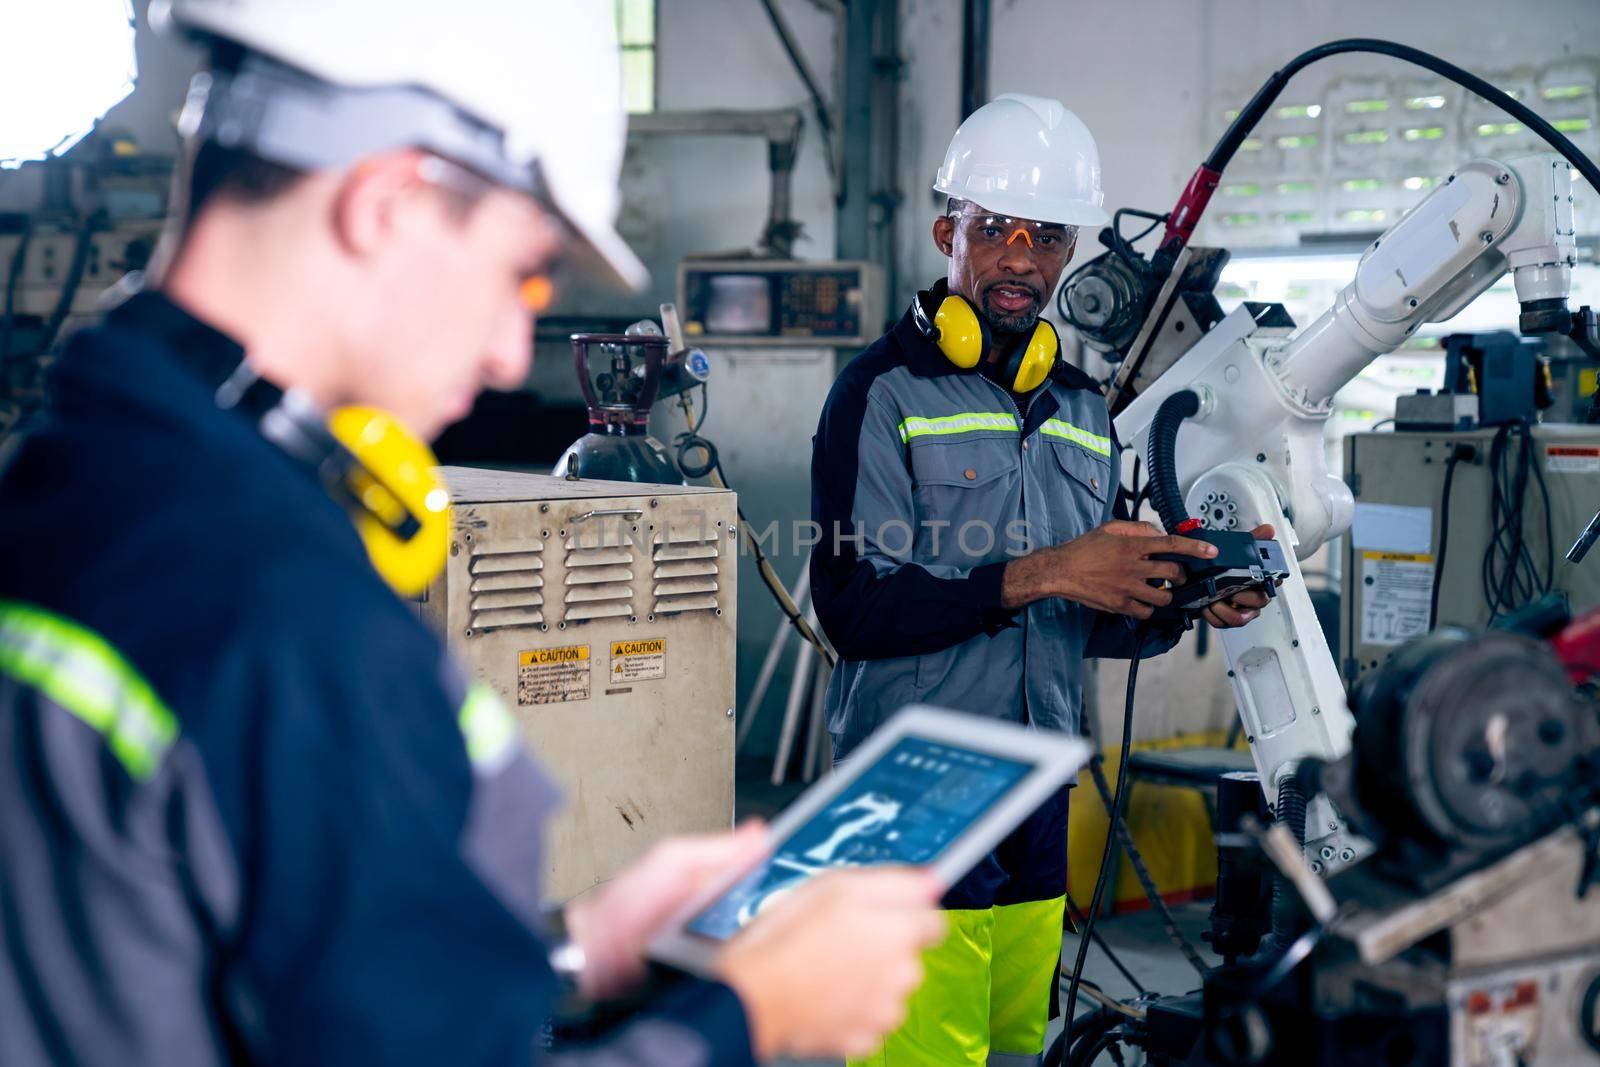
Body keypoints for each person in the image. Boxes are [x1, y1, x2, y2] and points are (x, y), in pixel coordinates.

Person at [0, 2, 945, 1064]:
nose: (508, 353)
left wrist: (576, 959)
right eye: (520, 273)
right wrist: (751, 1015)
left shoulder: (73, 479)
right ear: (389, 205)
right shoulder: (283, 607)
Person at [810, 93, 1272, 1066]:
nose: (1022, 257)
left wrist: (1175, 600)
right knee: (920, 1052)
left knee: (1020, 1044)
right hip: (916, 787)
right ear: (949, 232)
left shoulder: (1080, 408)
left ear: (1071, 254)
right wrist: (1055, 566)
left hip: (1040, 792)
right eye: (997, 230)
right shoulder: (878, 392)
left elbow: (1083, 617)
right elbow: (854, 609)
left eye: (1048, 236)